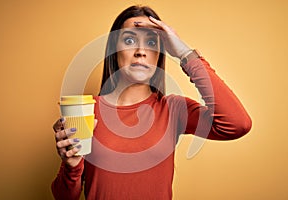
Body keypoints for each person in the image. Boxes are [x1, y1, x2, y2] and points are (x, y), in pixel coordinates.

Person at [51, 5, 252, 200]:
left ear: (159, 55)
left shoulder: (173, 109)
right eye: (129, 40)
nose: (141, 51)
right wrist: (71, 166)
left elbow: (237, 124)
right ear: (114, 51)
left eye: (152, 43)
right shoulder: (87, 110)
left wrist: (184, 53)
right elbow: (64, 197)